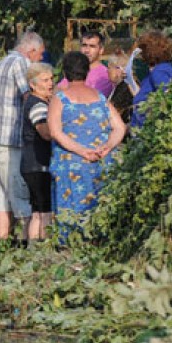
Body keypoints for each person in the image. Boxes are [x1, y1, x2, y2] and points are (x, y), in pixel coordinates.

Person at [48, 52, 126, 242]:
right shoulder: (100, 98)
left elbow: (55, 132)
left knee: (70, 211)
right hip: (100, 162)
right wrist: (107, 147)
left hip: (71, 164)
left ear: (65, 73)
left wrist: (81, 151)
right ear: (86, 71)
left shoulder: (60, 99)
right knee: (98, 210)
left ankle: (69, 249)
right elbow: (120, 127)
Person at [0, 31, 45, 241]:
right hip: (7, 142)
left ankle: (3, 243)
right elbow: (29, 94)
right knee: (19, 193)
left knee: (0, 195)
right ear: (31, 51)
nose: (41, 60)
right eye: (40, 55)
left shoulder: (2, 62)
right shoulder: (20, 63)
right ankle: (26, 245)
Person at [21, 63, 54, 243]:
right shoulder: (37, 105)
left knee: (37, 211)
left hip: (30, 164)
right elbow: (45, 132)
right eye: (45, 80)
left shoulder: (34, 102)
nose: (50, 83)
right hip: (38, 164)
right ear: (32, 85)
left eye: (51, 79)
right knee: (44, 212)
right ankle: (44, 247)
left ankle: (33, 250)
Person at [130, 30, 172, 128]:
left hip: (148, 128)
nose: (139, 54)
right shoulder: (161, 69)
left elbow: (168, 95)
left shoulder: (159, 72)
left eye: (141, 50)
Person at [58, 31, 113, 97]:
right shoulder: (74, 69)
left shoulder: (105, 75)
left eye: (92, 46)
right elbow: (58, 90)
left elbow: (93, 99)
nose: (87, 50)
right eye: (84, 45)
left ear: (101, 50)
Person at [107, 50, 134, 124]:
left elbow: (114, 113)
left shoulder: (124, 88)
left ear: (119, 69)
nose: (107, 71)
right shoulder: (120, 86)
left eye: (110, 67)